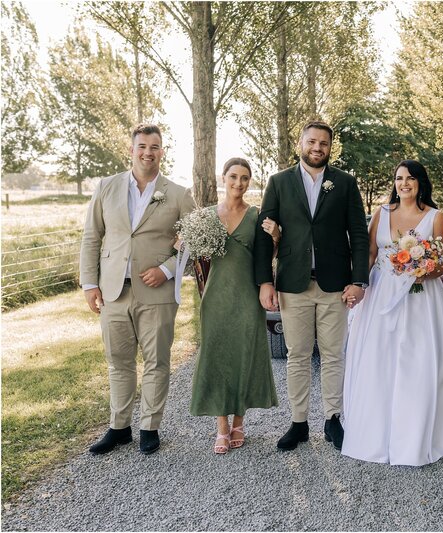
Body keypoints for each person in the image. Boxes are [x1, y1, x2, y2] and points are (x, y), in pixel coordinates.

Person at [253, 120, 370, 452]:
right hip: (293, 284)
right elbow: (265, 235)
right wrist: (265, 281)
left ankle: (333, 420)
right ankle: (298, 422)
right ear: (300, 143)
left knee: (334, 355)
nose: (318, 148)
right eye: (312, 142)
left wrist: (359, 281)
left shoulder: (345, 183)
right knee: (298, 355)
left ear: (330, 148)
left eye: (324, 144)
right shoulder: (278, 182)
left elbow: (359, 235)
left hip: (335, 284)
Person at [80, 124, 195, 455]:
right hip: (113, 290)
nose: (148, 152)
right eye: (142, 146)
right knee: (118, 361)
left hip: (157, 293)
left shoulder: (177, 194)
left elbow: (191, 240)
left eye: (154, 147)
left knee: (157, 361)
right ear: (131, 150)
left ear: (162, 152)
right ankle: (119, 427)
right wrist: (90, 283)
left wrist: (166, 270)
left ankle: (149, 427)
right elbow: (92, 236)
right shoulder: (107, 187)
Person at [341, 160, 443, 466]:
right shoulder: (381, 214)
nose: (404, 183)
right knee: (379, 359)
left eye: (410, 178)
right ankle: (375, 433)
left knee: (419, 360)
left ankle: (417, 434)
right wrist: (358, 285)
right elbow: (370, 254)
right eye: (399, 178)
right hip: (382, 293)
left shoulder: (436, 217)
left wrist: (425, 272)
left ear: (421, 182)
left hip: (421, 298)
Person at [189, 158, 278, 454]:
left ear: (249, 182)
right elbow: (197, 257)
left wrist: (276, 238)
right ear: (223, 178)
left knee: (244, 355)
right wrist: (185, 243)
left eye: (244, 178)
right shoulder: (205, 216)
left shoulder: (257, 215)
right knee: (218, 356)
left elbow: (267, 255)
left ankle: (240, 420)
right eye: (233, 177)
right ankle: (222, 427)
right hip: (215, 297)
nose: (238, 183)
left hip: (248, 296)